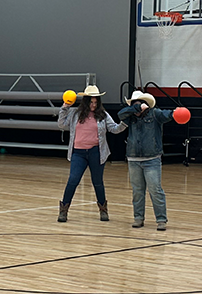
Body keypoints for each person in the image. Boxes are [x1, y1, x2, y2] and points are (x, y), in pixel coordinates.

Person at [57, 85, 127, 222]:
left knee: (98, 183)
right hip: (78, 153)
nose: (93, 105)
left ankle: (103, 210)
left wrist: (125, 122)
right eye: (91, 102)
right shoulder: (74, 114)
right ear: (86, 101)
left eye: (96, 102)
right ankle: (63, 210)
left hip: (96, 152)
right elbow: (61, 125)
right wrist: (64, 108)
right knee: (73, 180)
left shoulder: (103, 115)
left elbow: (114, 129)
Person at [117, 91, 174, 231]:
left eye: (139, 105)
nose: (136, 109)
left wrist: (176, 113)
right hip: (133, 158)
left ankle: (161, 219)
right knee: (137, 191)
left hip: (152, 159)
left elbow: (167, 115)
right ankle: (138, 218)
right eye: (133, 105)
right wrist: (135, 108)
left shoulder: (155, 114)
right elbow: (121, 114)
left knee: (155, 190)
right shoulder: (129, 117)